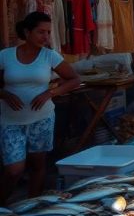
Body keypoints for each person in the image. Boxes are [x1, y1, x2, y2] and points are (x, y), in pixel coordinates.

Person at [0, 12, 80, 203]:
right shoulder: (5, 55)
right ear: (27, 32)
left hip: (41, 119)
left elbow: (74, 79)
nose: (46, 37)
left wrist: (50, 93)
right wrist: (4, 94)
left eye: (48, 32)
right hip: (11, 121)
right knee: (14, 170)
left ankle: (32, 205)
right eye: (40, 32)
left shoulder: (50, 56)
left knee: (38, 164)